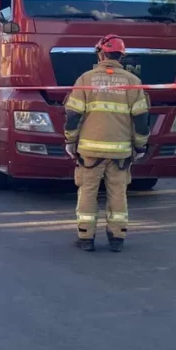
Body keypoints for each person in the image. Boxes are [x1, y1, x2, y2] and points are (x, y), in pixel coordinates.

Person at [63, 34, 150, 253]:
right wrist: (140, 145)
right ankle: (117, 238)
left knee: (88, 193)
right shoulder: (133, 82)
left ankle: (86, 238)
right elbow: (140, 118)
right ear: (121, 56)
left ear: (101, 54)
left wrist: (70, 140)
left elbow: (73, 115)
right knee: (118, 194)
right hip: (120, 152)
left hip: (89, 152)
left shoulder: (85, 79)